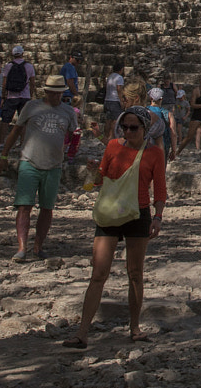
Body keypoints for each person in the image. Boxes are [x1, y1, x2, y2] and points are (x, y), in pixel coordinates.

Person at [64, 105, 166, 348]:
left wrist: (158, 216)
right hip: (111, 212)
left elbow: (160, 189)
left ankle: (135, 327)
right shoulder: (112, 147)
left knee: (135, 273)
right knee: (98, 272)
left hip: (138, 213)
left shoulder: (155, 154)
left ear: (145, 129)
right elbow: (103, 178)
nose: (128, 132)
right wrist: (93, 170)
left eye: (133, 128)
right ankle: (82, 333)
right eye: (125, 127)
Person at [0, 74, 79, 262]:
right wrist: (4, 154)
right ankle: (21, 247)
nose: (56, 97)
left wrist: (72, 153)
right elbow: (16, 130)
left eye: (59, 93)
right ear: (46, 92)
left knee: (47, 207)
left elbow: (74, 135)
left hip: (54, 165)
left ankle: (38, 246)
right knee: (24, 205)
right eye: (53, 93)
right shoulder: (31, 107)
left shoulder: (68, 112)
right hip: (29, 160)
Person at [0, 45, 34, 128]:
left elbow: (4, 82)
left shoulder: (8, 66)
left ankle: (2, 140)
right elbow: (32, 83)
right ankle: (22, 140)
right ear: (22, 53)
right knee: (24, 121)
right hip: (25, 96)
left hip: (11, 96)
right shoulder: (29, 66)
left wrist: (3, 96)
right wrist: (30, 95)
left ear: (13, 54)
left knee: (5, 120)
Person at [146, 87, 177, 160]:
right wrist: (173, 150)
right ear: (161, 99)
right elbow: (173, 133)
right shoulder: (168, 114)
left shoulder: (144, 111)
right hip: (162, 146)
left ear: (150, 98)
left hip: (145, 145)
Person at [104, 63, 126, 135]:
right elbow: (119, 89)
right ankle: (112, 137)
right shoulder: (119, 78)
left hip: (107, 100)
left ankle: (106, 136)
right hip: (115, 100)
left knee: (108, 120)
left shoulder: (110, 76)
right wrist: (121, 101)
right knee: (115, 121)